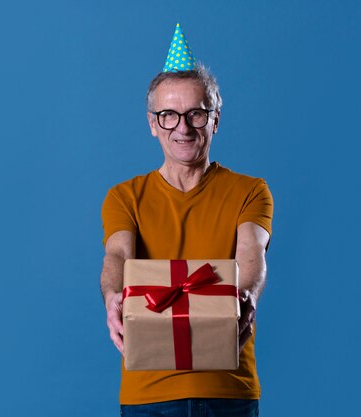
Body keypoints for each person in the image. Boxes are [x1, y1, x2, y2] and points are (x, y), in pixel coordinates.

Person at [100, 24, 273, 417]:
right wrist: (113, 297)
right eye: (168, 115)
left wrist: (245, 295)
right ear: (151, 123)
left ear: (215, 119)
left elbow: (251, 253)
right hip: (149, 393)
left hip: (228, 389)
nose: (182, 127)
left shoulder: (250, 191)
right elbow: (117, 255)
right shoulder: (124, 197)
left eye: (195, 113)